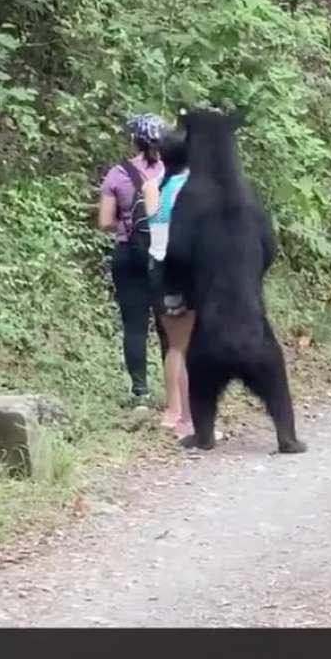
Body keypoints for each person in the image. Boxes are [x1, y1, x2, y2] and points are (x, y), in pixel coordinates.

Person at [98, 113, 166, 409]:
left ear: (133, 139)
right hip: (166, 255)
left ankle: (140, 392)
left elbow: (103, 221)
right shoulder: (173, 172)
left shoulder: (118, 173)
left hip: (128, 254)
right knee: (170, 324)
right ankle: (178, 396)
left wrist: (127, 225)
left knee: (134, 325)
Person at [142, 131, 194, 438]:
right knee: (191, 345)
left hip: (156, 264)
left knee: (175, 345)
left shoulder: (152, 186)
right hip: (182, 267)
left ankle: (174, 411)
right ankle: (189, 418)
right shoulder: (190, 188)